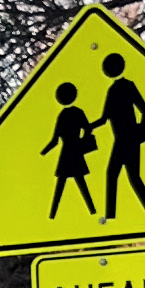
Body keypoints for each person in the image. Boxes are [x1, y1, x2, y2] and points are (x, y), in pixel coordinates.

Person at [98, 53, 145, 221]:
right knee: (126, 176)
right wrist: (88, 127)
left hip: (128, 139)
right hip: (123, 139)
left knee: (119, 175)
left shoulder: (127, 86)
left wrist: (138, 130)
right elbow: (104, 118)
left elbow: (144, 109)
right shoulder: (113, 90)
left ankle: (114, 215)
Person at [43, 81, 98, 218]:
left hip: (67, 152)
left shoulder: (63, 115)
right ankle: (91, 211)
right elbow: (87, 129)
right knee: (78, 183)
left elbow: (55, 140)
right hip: (75, 152)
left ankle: (53, 215)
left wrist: (43, 152)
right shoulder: (77, 112)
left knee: (64, 185)